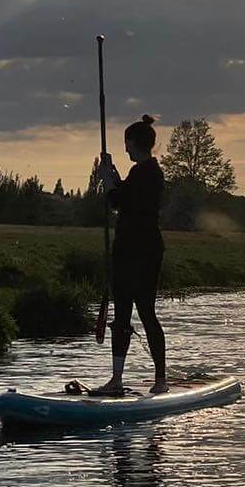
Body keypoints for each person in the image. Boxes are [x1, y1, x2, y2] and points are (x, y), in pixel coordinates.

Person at [91, 116, 168, 397]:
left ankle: (160, 381)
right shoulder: (142, 172)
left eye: (127, 144)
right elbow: (125, 197)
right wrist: (111, 175)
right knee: (121, 314)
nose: (125, 149)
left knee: (146, 311)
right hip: (127, 248)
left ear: (136, 143)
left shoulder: (148, 173)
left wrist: (108, 181)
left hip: (144, 249)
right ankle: (116, 379)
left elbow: (118, 201)